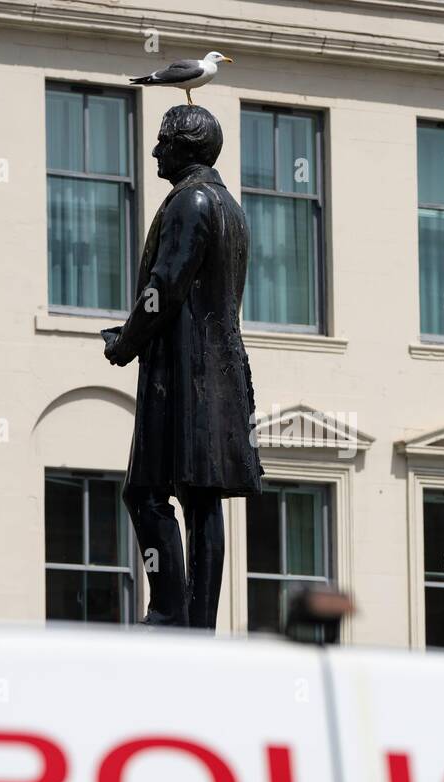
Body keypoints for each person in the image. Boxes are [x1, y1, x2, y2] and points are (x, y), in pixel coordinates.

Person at [102, 105, 263, 629]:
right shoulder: (229, 206)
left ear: (183, 148)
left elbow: (163, 289)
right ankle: (198, 619)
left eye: (162, 141)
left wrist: (125, 341)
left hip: (183, 375)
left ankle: (172, 609)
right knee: (202, 499)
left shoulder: (190, 202)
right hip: (217, 372)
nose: (155, 151)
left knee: (145, 491)